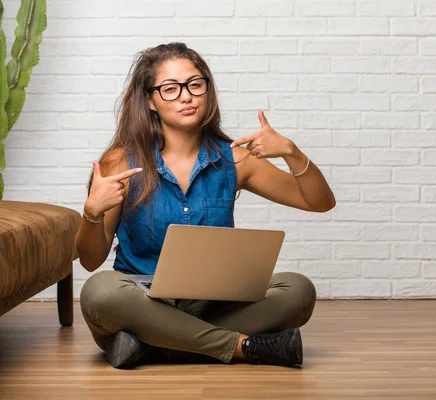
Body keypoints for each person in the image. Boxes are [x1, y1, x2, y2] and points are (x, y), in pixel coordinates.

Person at [75, 42, 336, 369]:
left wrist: (292, 152)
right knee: (100, 292)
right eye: (170, 89)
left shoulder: (236, 159)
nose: (186, 96)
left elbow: (320, 202)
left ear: (206, 91)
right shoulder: (121, 162)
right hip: (139, 302)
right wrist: (92, 214)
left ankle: (152, 346)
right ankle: (244, 346)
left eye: (194, 85)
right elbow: (89, 260)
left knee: (298, 290)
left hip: (214, 304)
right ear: (150, 101)